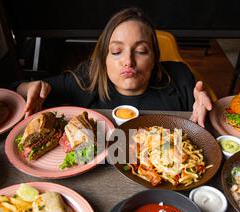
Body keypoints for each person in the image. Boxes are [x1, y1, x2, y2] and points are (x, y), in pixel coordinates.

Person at [15, 7, 213, 126]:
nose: (128, 60)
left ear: (154, 58)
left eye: (141, 51)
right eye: (117, 51)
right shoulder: (87, 79)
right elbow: (15, 89)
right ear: (103, 59)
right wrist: (28, 87)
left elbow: (206, 121)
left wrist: (207, 110)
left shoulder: (180, 77)